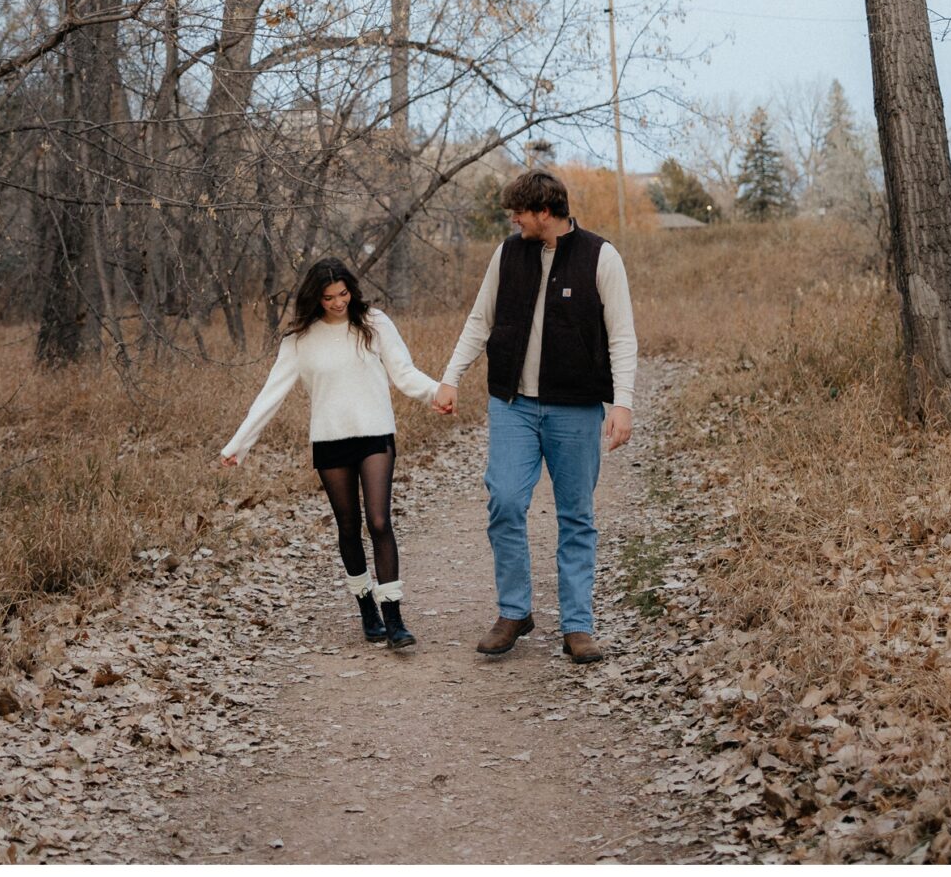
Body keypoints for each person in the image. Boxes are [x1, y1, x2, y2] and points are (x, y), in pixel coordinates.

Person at [432, 167, 640, 665]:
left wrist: (624, 404)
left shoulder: (601, 256)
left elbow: (622, 335)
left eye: (519, 212)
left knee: (576, 515)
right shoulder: (508, 253)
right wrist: (450, 376)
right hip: (513, 406)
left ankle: (577, 625)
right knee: (504, 500)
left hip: (576, 408)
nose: (513, 219)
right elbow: (479, 320)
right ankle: (514, 611)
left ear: (545, 212)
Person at [220, 258, 441, 649]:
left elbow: (404, 373)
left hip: (375, 435)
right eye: (329, 297)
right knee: (348, 526)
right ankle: (366, 607)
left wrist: (436, 393)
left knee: (378, 520)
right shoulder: (299, 341)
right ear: (315, 298)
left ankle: (394, 617)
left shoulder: (374, 324)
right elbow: (270, 395)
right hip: (331, 440)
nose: (339, 303)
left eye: (344, 294)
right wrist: (239, 445)